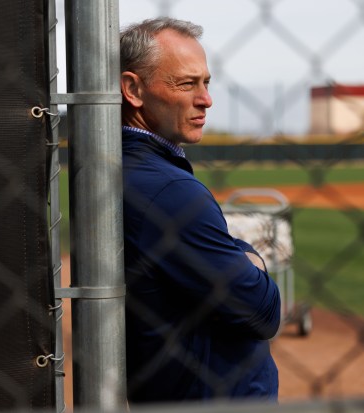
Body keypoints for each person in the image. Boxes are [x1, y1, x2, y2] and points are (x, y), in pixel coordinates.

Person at [120, 17, 281, 403]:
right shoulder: (169, 190)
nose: (206, 99)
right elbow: (263, 312)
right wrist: (251, 256)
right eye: (186, 83)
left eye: (206, 82)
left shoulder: (125, 168)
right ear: (133, 89)